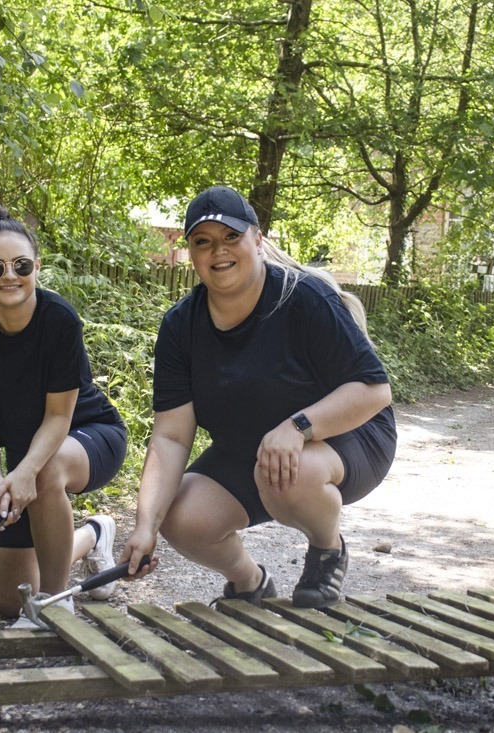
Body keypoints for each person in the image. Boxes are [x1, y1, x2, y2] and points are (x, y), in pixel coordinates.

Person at [120, 185, 397, 609]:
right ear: (190, 252)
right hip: (254, 450)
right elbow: (171, 437)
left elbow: (374, 390)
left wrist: (297, 426)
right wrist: (146, 525)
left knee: (287, 473)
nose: (219, 251)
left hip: (347, 436)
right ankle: (249, 582)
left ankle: (328, 550)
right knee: (180, 515)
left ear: (257, 240)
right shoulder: (181, 326)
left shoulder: (303, 296)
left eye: (231, 237)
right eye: (203, 242)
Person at [0, 206, 128, 621]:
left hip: (89, 434)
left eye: (21, 265)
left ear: (36, 267)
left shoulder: (58, 319)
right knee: (8, 601)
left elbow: (60, 418)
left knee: (43, 474)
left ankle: (57, 606)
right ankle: (95, 535)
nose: (10, 275)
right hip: (30, 455)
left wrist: (25, 472)